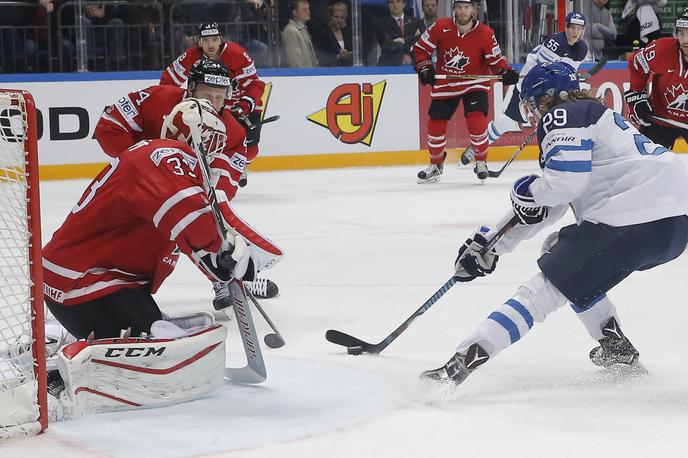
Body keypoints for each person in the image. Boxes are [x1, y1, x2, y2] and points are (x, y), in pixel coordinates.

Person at [420, 62, 688, 386]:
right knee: (559, 251)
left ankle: (459, 366)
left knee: (541, 291)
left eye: (533, 103)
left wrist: (527, 189)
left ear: (547, 98)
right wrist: (493, 243)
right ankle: (614, 345)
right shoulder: (592, 117)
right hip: (675, 222)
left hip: (631, 217)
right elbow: (554, 203)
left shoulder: (563, 115)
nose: (532, 113)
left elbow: (563, 186)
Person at [43, 100, 242, 411]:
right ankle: (54, 369)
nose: (213, 150)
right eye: (209, 139)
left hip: (95, 279)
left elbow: (184, 225)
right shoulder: (164, 156)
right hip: (86, 283)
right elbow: (185, 212)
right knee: (153, 340)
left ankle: (61, 341)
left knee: (154, 328)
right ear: (188, 133)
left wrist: (216, 258)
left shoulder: (162, 159)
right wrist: (216, 251)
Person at [96, 59, 282, 306]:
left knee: (196, 221)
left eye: (220, 96)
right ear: (190, 89)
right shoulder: (156, 98)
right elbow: (108, 127)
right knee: (115, 239)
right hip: (131, 184)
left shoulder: (232, 131)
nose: (214, 103)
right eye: (208, 95)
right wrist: (141, 163)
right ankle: (97, 285)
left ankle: (226, 279)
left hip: (175, 193)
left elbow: (225, 186)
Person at [460, 11, 587, 165]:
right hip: (529, 84)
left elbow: (567, 73)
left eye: (579, 28)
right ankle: (476, 147)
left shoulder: (582, 49)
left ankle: (553, 156)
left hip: (550, 89)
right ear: (566, 28)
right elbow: (543, 72)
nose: (576, 32)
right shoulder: (555, 43)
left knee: (556, 122)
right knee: (506, 122)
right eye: (573, 28)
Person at [413, 0, 518, 183]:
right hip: (446, 83)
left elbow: (495, 61)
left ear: (473, 10)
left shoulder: (486, 33)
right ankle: (436, 165)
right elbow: (421, 49)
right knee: (435, 125)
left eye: (467, 7)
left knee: (476, 120)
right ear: (454, 9)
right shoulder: (441, 26)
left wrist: (505, 72)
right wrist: (425, 67)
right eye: (459, 7)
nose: (463, 11)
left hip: (474, 82)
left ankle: (481, 161)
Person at [161, 22, 267, 188]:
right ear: (199, 42)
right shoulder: (191, 56)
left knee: (251, 150)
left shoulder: (237, 54)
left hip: (241, 105)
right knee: (209, 138)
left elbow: (256, 84)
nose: (210, 44)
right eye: (206, 40)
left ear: (221, 40)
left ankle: (241, 164)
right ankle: (209, 168)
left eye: (214, 39)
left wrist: (246, 104)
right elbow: (168, 79)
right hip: (212, 105)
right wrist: (167, 101)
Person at [626, 8, 688, 149]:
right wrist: (637, 95)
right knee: (646, 165)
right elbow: (636, 63)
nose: (685, 40)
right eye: (681, 33)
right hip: (660, 121)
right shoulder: (663, 48)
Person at [375, 0, 421, 66]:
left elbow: (420, 40)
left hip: (413, 64)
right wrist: (412, 40)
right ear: (388, 5)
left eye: (398, 1)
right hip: (390, 64)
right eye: (392, 2)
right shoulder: (381, 24)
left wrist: (403, 40)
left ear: (404, 4)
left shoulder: (416, 22)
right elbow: (388, 45)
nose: (395, 4)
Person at [281, 0, 319, 68]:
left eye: (308, 9)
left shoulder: (303, 29)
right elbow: (295, 61)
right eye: (304, 10)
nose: (308, 12)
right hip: (301, 77)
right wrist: (303, 76)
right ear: (295, 12)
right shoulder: (291, 31)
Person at [314, 2, 353, 67]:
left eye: (342, 18)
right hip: (330, 71)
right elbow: (320, 57)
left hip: (346, 70)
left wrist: (348, 54)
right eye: (336, 17)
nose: (338, 20)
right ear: (330, 17)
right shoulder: (323, 34)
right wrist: (337, 57)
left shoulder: (347, 33)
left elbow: (354, 51)